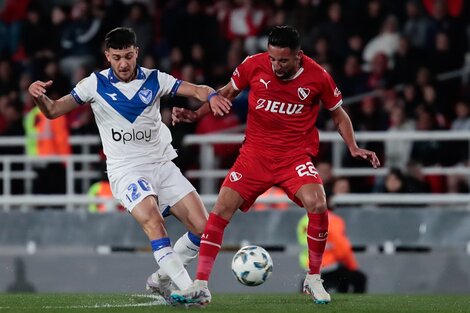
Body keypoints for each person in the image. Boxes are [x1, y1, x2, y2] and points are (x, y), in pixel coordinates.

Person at [170, 25, 380, 306]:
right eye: (272, 59)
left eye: (283, 60)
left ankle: (314, 279)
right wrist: (197, 115)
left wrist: (353, 147)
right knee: (220, 209)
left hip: (294, 157)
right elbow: (227, 92)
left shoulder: (318, 77)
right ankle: (200, 285)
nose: (276, 66)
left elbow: (339, 115)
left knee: (317, 203)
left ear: (299, 56)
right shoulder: (253, 65)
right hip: (255, 155)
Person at [27, 27, 232, 302]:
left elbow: (195, 88)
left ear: (136, 53)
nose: (122, 63)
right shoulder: (93, 84)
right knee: (154, 221)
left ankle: (161, 278)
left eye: (127, 56)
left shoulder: (155, 79)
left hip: (162, 164)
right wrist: (38, 96)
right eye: (116, 57)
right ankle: (190, 287)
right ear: (107, 57)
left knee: (203, 229)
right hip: (126, 169)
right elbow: (53, 110)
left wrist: (211, 96)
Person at [297, 211, 367, 294]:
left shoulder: (303, 221)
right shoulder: (332, 220)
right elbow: (342, 249)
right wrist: (352, 266)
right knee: (358, 278)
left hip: (310, 264)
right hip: (329, 265)